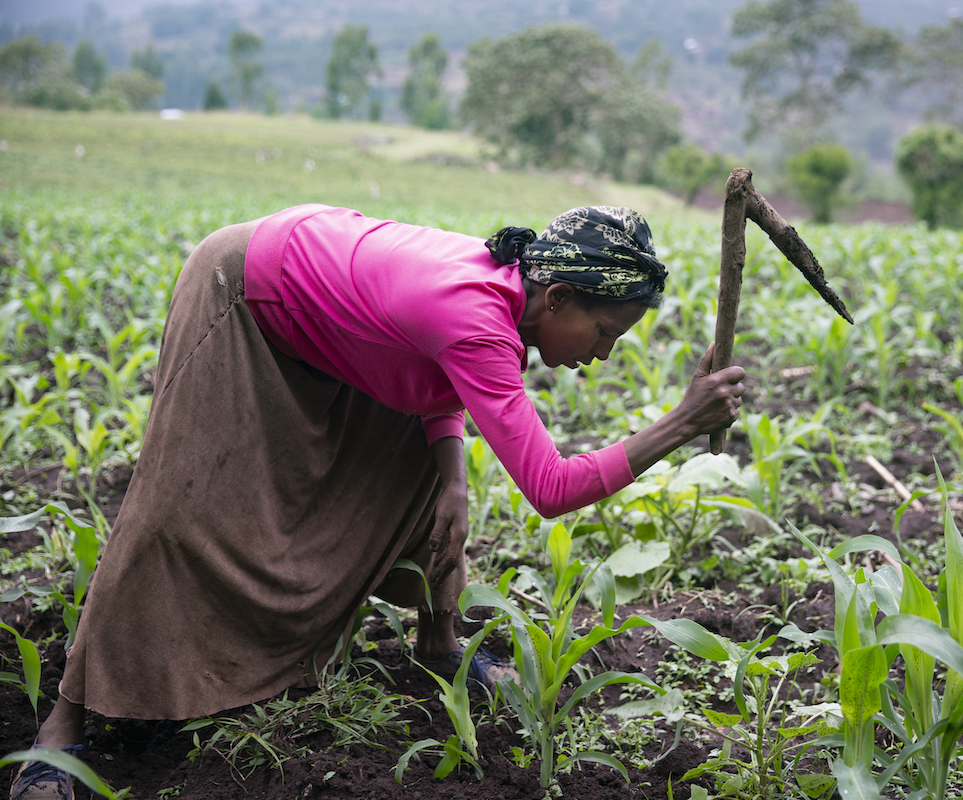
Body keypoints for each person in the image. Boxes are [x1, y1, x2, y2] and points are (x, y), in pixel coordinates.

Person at [10, 204, 746, 800]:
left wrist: (450, 474)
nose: (604, 353)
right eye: (606, 331)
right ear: (556, 297)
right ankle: (62, 723)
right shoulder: (478, 316)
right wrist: (681, 424)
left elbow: (432, 359)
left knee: (428, 476)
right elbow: (551, 490)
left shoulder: (509, 296)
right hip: (244, 297)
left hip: (340, 328)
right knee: (173, 510)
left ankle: (437, 640)